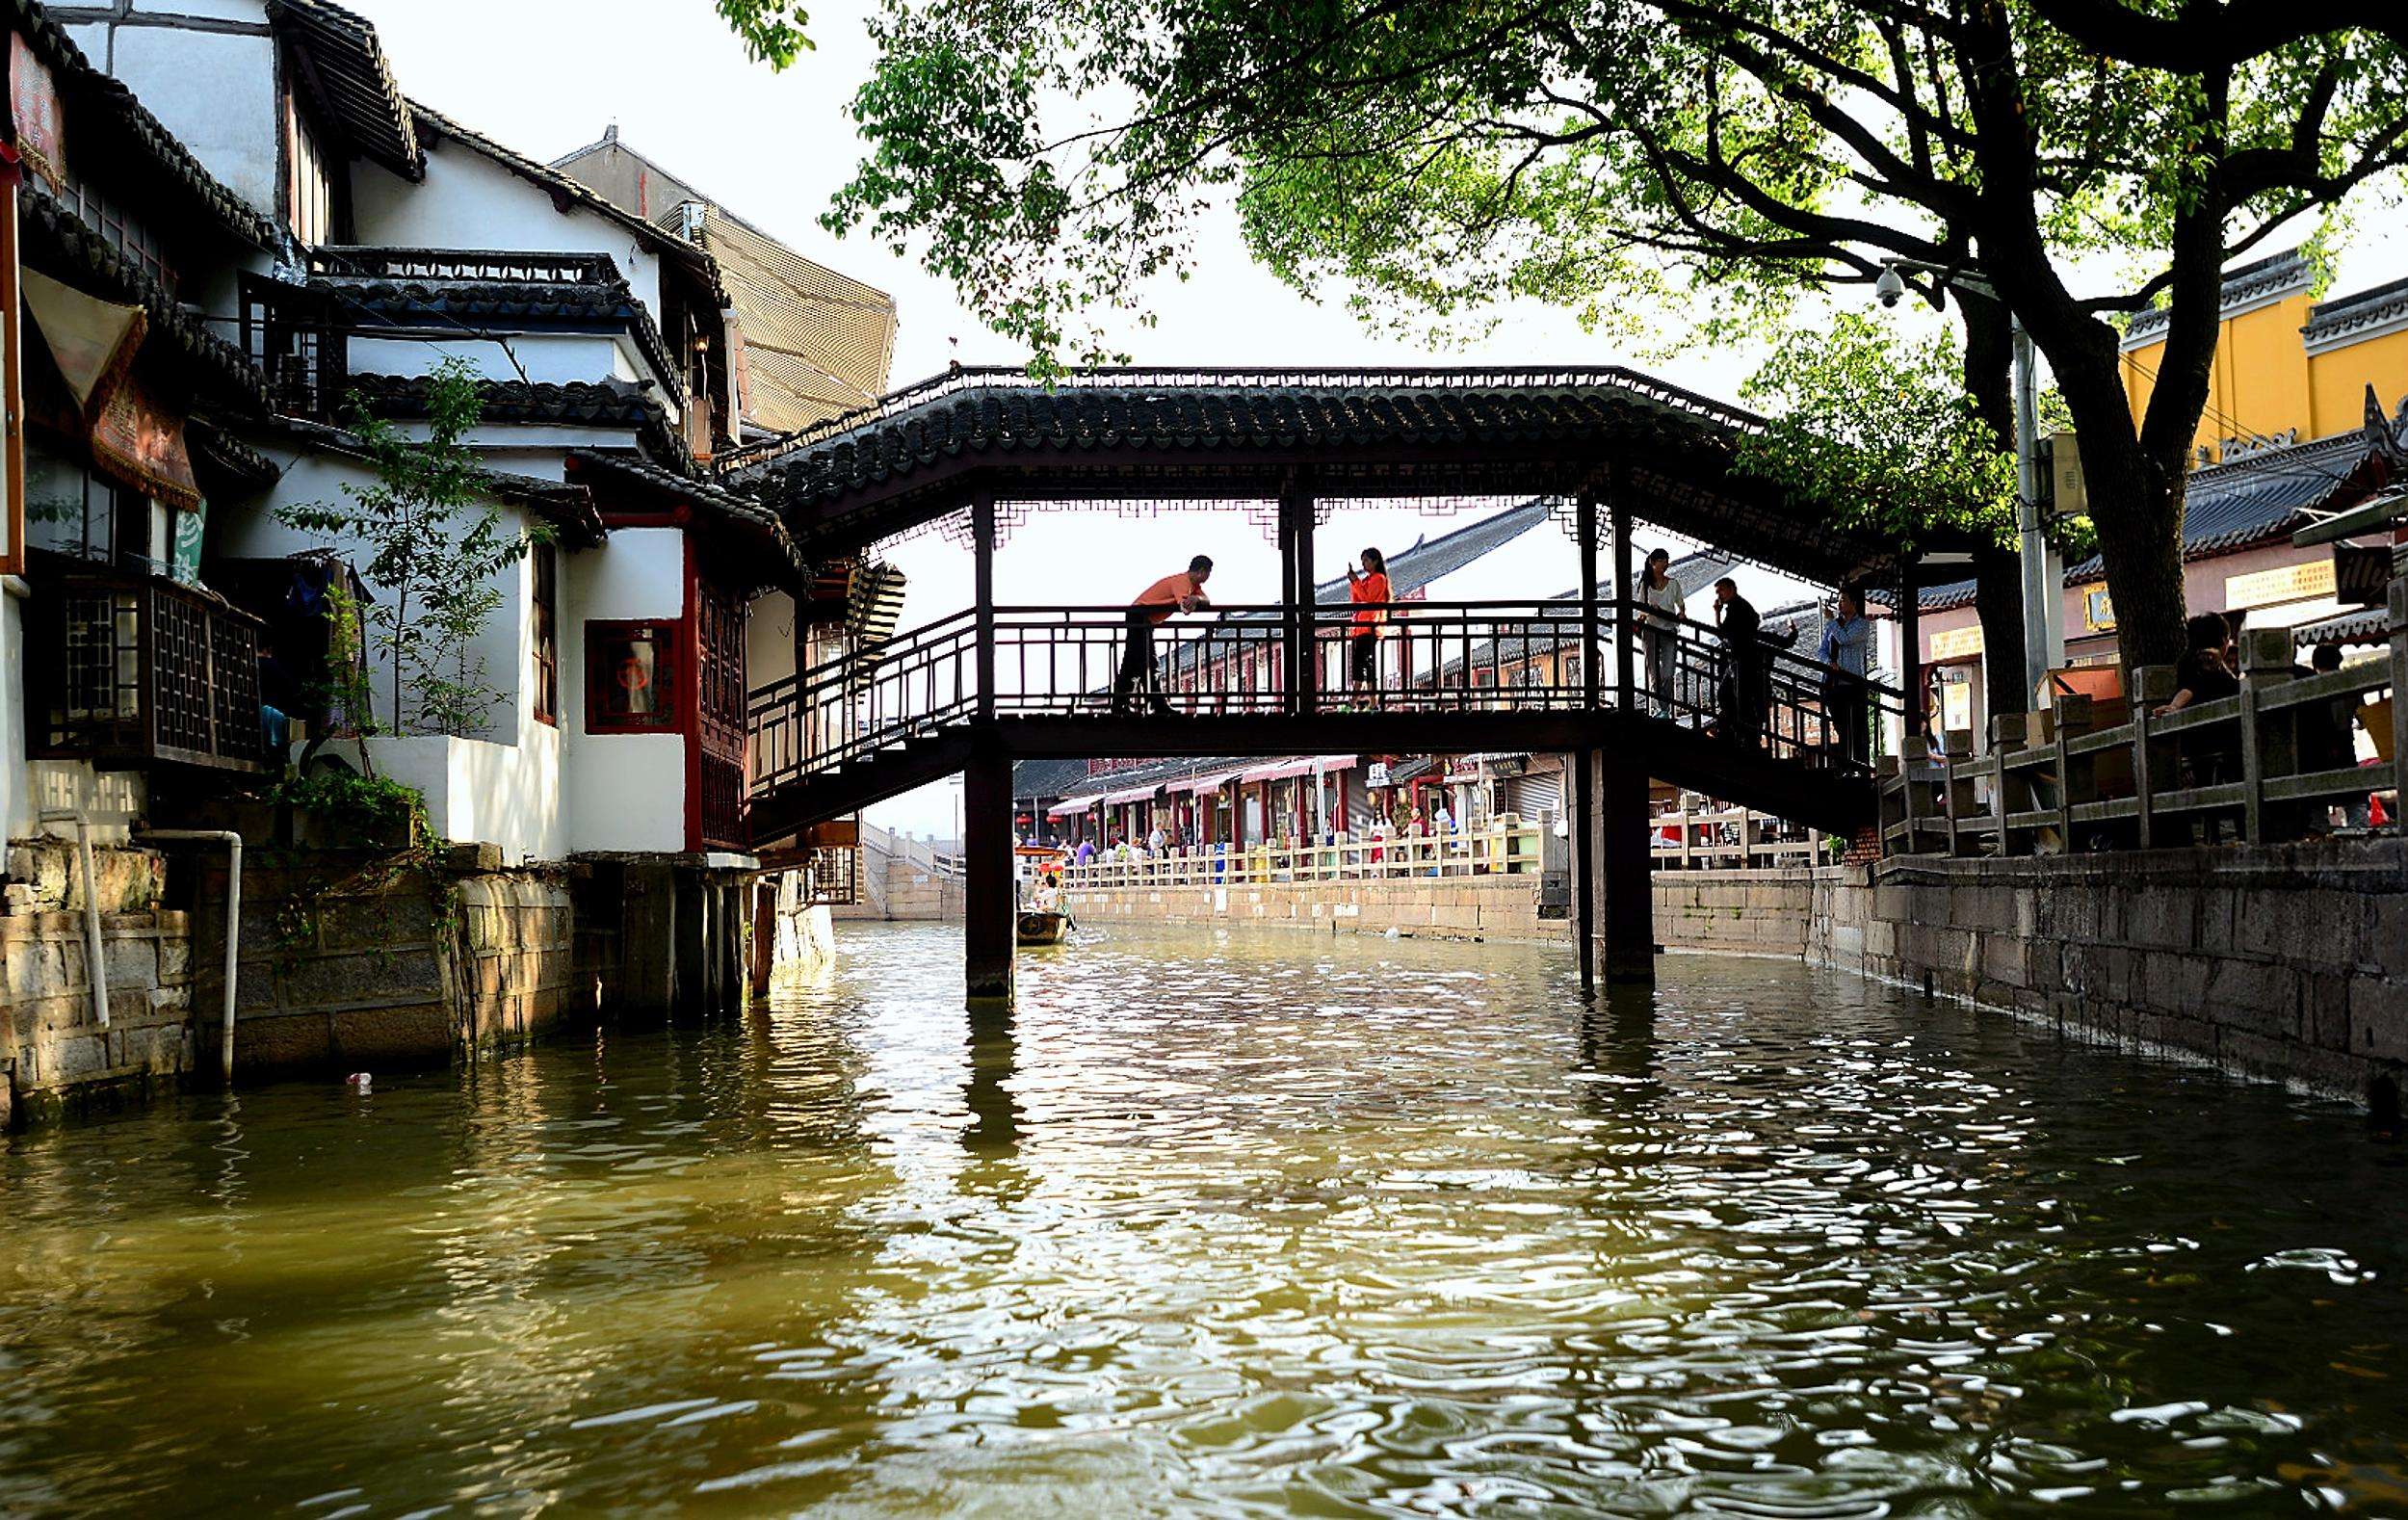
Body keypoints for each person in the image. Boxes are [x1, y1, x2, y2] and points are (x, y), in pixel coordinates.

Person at [1113, 555, 1215, 716]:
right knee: (1149, 662)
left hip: (1141, 617)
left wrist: (1196, 598)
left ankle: (1121, 705)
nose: (1208, 578)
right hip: (1140, 616)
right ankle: (1157, 704)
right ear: (1202, 571)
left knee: (1133, 663)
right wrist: (1193, 601)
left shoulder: (1191, 586)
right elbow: (1185, 607)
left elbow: (1206, 600)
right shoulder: (1183, 583)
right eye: (1209, 573)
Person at [1817, 586, 1875, 769]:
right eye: (1838, 600)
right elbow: (1822, 650)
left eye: (1843, 600)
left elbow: (1845, 639)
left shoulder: (1862, 625)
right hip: (1833, 681)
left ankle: (1859, 764)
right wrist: (1829, 663)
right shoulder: (1833, 625)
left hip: (1853, 682)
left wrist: (1831, 621)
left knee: (1856, 726)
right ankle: (1844, 763)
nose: (1839, 604)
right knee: (1840, 725)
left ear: (1854, 603)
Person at [1713, 578, 1765, 748]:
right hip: (1740, 659)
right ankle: (1741, 732)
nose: (1719, 594)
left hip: (1743, 659)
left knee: (1737, 698)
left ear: (1731, 589)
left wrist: (1717, 614)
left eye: (1721, 590)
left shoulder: (1738, 607)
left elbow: (1724, 632)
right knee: (1730, 695)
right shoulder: (1739, 606)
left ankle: (1745, 736)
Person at [1635, 547, 1686, 718]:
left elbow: (1680, 604)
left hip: (1669, 630)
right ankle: (1663, 708)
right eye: (1661, 561)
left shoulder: (1673, 584)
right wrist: (1650, 610)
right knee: (1654, 673)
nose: (1665, 564)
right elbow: (1641, 609)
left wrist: (1681, 613)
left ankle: (1665, 707)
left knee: (1669, 672)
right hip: (1650, 631)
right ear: (1652, 563)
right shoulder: (1645, 585)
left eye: (1666, 561)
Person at [1346, 547, 1392, 701]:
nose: (1364, 564)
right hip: (1363, 627)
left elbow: (1368, 599)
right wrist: (1355, 582)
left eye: (1366, 560)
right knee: (1362, 664)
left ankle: (1366, 700)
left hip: (1370, 626)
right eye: (1363, 561)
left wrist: (1355, 581)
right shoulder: (1368, 579)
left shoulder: (1379, 578)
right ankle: (1364, 700)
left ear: (1375, 561)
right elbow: (1356, 601)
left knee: (1365, 663)